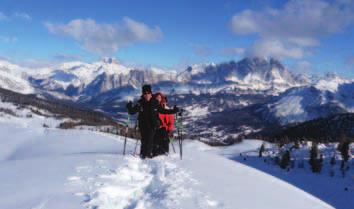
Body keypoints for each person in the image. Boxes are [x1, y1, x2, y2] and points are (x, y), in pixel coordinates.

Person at [126, 84, 178, 159]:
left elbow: (163, 111)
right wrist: (129, 106)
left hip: (153, 125)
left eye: (148, 93)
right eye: (145, 93)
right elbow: (132, 112)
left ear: (151, 93)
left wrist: (173, 111)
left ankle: (148, 156)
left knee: (149, 141)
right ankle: (142, 156)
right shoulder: (140, 103)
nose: (147, 95)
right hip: (143, 126)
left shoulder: (155, 102)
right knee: (144, 141)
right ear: (143, 94)